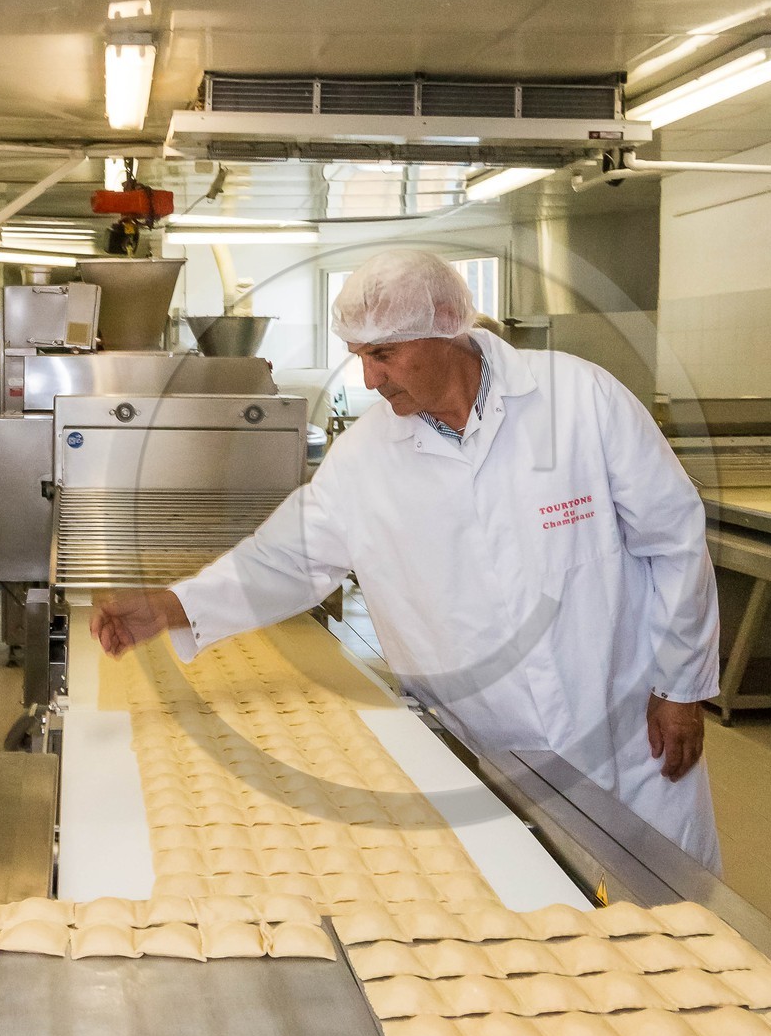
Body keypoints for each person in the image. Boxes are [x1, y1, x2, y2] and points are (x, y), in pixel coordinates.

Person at [92, 249, 722, 871]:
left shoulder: (580, 400)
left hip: (631, 728)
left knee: (679, 923)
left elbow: (671, 539)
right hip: (489, 745)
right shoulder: (367, 456)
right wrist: (174, 605)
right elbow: (287, 559)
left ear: (448, 326)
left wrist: (682, 687)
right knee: (542, 910)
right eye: (360, 357)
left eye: (384, 354)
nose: (369, 379)